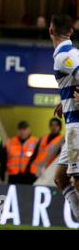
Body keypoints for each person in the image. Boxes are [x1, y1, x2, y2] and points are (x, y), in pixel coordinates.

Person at [49, 14, 79, 220]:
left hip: (76, 128)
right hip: (72, 126)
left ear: (50, 31)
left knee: (77, 179)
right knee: (61, 178)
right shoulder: (67, 53)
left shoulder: (65, 55)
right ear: (71, 31)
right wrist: (65, 100)